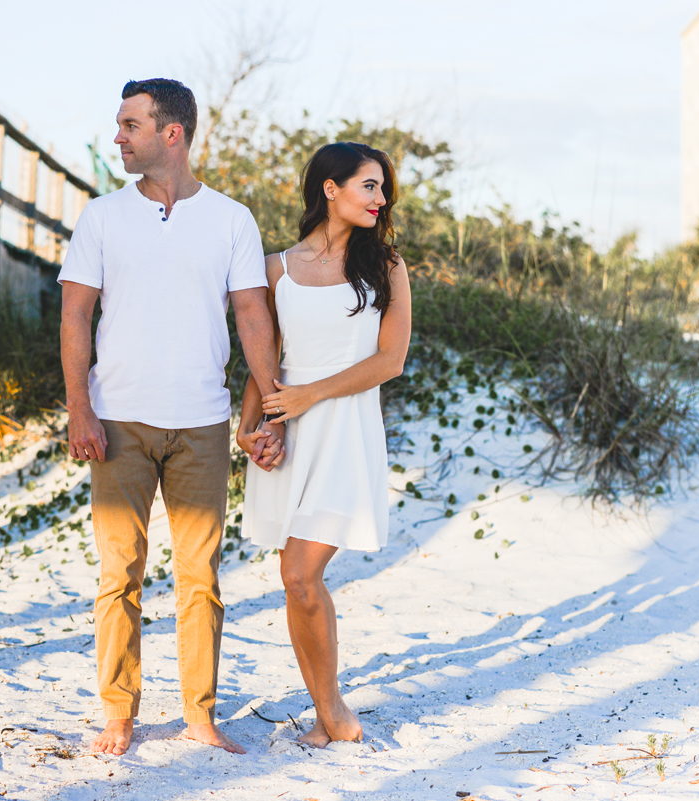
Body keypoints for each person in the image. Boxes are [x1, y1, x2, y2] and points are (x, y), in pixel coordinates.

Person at [59, 78, 286, 756]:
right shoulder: (101, 217)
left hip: (202, 423)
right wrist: (79, 406)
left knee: (201, 578)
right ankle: (119, 713)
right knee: (118, 574)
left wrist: (270, 408)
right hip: (118, 420)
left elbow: (252, 314)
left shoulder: (230, 219)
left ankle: (199, 713)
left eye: (131, 125)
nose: (119, 137)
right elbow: (75, 312)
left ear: (172, 134)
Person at [238, 142, 412, 748]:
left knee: (301, 570)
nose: (380, 199)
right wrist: (253, 420)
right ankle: (327, 715)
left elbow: (390, 360)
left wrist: (310, 395)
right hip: (291, 432)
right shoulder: (276, 268)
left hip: (346, 435)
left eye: (382, 188)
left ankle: (334, 711)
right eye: (369, 185)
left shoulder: (385, 265)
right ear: (330, 188)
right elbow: (267, 354)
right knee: (295, 581)